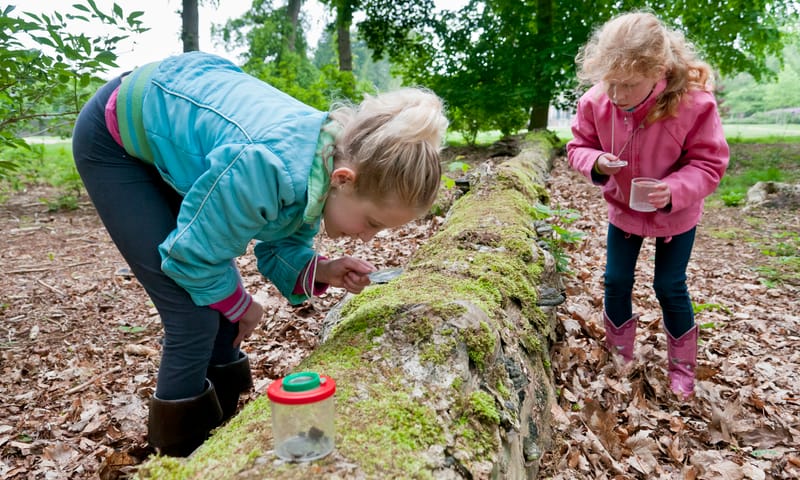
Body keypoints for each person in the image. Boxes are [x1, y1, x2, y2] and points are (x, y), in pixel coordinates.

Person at [72, 51, 448, 456]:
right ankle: (179, 459)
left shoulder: (322, 164)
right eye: (372, 222)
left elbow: (280, 243)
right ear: (344, 179)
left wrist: (324, 270)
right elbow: (191, 257)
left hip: (178, 128)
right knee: (192, 316)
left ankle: (220, 433)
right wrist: (241, 305)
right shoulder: (269, 168)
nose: (369, 238)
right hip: (116, 132)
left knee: (215, 307)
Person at [566, 12, 729, 400]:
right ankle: (619, 356)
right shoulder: (596, 101)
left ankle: (682, 369)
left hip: (676, 214)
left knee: (669, 285)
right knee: (616, 280)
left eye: (628, 85)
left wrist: (674, 189)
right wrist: (596, 162)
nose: (617, 94)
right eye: (611, 83)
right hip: (624, 209)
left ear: (658, 71)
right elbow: (577, 147)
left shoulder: (694, 104)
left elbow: (709, 163)